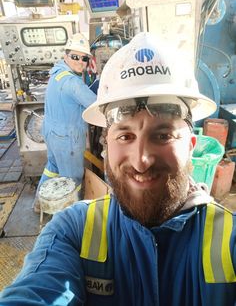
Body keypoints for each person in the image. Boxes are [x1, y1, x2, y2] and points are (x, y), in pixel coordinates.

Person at [0, 32, 235, 306]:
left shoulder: (229, 240)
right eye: (124, 136)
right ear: (106, 147)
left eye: (163, 136)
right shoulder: (73, 231)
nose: (141, 160)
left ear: (192, 145)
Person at [34, 33, 97, 211]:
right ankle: (70, 219)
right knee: (73, 179)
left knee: (52, 167)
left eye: (84, 58)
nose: (80, 61)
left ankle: (39, 204)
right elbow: (95, 105)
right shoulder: (72, 83)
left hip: (51, 133)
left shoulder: (57, 74)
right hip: (66, 138)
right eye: (75, 57)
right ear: (66, 56)